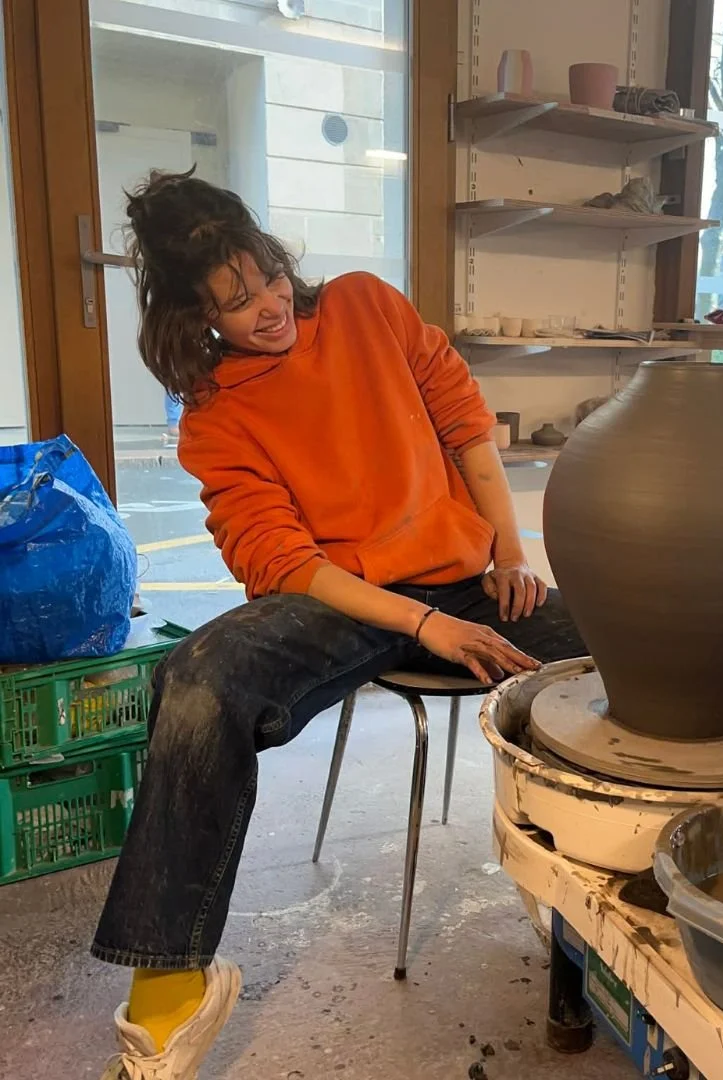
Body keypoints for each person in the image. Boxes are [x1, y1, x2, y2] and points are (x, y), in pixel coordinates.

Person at [94, 169, 584, 1080]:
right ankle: (170, 994)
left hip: (465, 580)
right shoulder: (216, 416)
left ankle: (592, 911)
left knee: (626, 654)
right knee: (196, 682)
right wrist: (422, 628)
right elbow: (281, 562)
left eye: (269, 277)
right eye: (236, 304)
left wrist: (512, 554)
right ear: (194, 316)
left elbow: (467, 423)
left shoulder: (367, 308)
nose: (270, 307)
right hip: (334, 601)